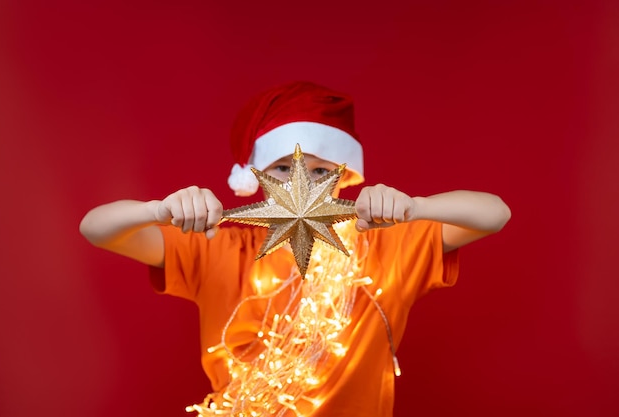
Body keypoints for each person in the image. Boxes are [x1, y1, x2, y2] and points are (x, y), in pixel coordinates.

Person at [80, 81, 511, 417]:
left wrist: (416, 207)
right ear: (254, 177)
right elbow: (97, 228)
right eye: (282, 167)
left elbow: (494, 214)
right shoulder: (217, 246)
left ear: (343, 178)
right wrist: (159, 209)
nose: (298, 184)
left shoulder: (385, 244)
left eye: (320, 169)